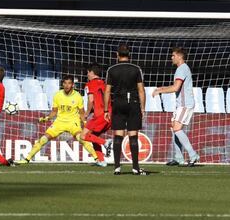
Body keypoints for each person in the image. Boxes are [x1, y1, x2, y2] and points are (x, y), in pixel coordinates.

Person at [17, 75, 106, 167]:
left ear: (72, 85)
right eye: (65, 83)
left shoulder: (77, 96)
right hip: (60, 122)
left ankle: (98, 159)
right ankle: (27, 159)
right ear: (62, 84)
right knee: (43, 139)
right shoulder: (58, 95)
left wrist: (85, 123)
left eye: (69, 83)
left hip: (73, 123)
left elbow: (82, 113)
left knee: (82, 139)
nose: (67, 85)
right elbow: (54, 112)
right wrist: (46, 118)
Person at [152, 47, 200, 167]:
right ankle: (179, 158)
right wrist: (161, 89)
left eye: (173, 55)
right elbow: (176, 86)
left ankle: (193, 155)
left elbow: (175, 88)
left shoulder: (182, 69)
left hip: (185, 104)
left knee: (177, 128)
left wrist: (160, 90)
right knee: (174, 128)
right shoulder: (182, 68)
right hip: (181, 104)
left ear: (179, 56)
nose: (171, 58)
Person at [104, 44, 147, 175]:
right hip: (133, 102)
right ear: (129, 55)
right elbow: (141, 90)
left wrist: (106, 110)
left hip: (118, 102)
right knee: (133, 135)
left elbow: (107, 91)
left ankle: (117, 167)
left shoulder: (111, 69)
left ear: (117, 55)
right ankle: (135, 167)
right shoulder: (136, 69)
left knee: (118, 135)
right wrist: (143, 108)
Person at [80, 63, 113, 161]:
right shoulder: (104, 83)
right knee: (94, 137)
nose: (87, 75)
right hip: (109, 116)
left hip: (99, 115)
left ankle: (105, 142)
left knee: (83, 135)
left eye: (88, 73)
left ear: (91, 72)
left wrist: (86, 113)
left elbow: (91, 100)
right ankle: (101, 161)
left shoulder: (90, 84)